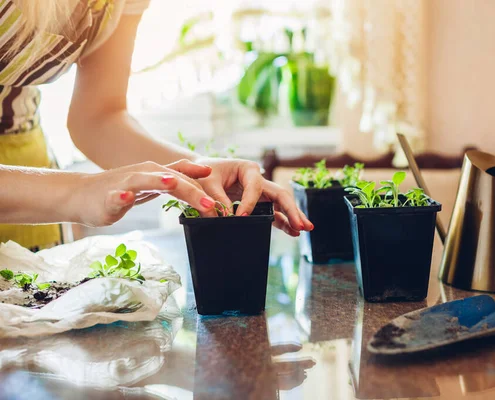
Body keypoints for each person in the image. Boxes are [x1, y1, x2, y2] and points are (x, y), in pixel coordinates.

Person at [0, 0, 313, 251]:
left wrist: (198, 171)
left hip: (29, 174)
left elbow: (97, 118)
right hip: (31, 192)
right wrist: (77, 191)